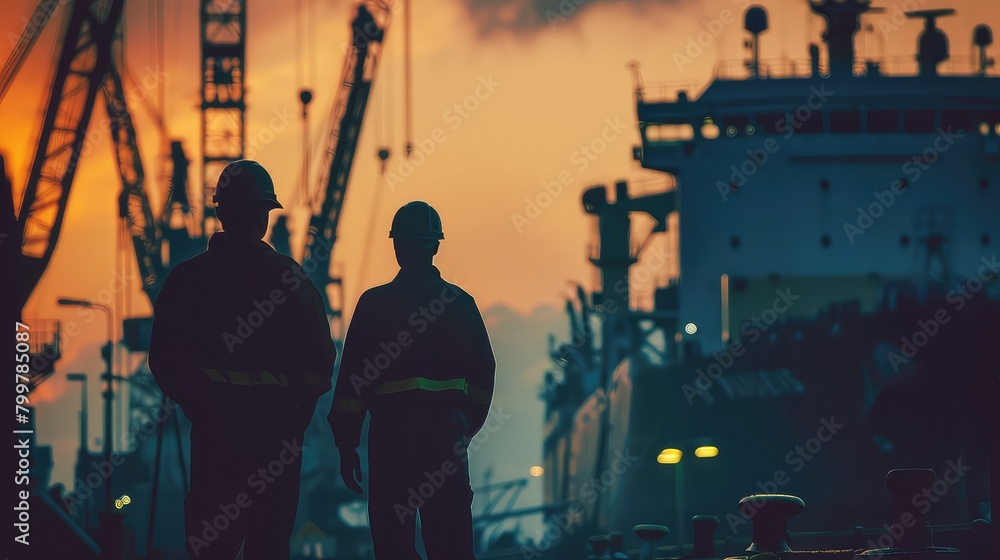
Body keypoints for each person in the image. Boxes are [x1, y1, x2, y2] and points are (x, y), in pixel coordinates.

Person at [148, 160, 335, 559]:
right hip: (275, 436)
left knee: (212, 543)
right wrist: (293, 418)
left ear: (221, 212)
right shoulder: (291, 280)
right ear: (263, 215)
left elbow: (164, 360)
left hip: (215, 435)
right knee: (269, 543)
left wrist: (199, 406)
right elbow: (321, 365)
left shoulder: (187, 279)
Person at [328, 201, 496, 559]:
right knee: (451, 545)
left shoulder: (374, 305)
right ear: (436, 245)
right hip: (445, 440)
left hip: (391, 442)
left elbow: (351, 388)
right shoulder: (460, 304)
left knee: (393, 545)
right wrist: (464, 428)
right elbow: (484, 376)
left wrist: (347, 445)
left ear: (396, 246)